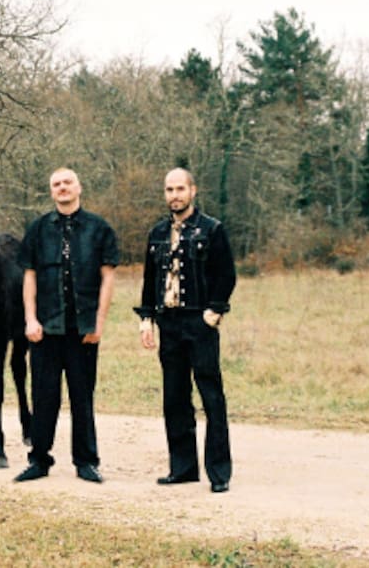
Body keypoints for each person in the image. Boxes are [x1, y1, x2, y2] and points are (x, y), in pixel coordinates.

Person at [14, 168, 119, 484]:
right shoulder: (38, 230)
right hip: (45, 329)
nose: (62, 188)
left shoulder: (99, 229)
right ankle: (39, 460)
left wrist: (98, 322)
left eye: (67, 182)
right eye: (56, 184)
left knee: (82, 397)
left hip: (83, 328)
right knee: (43, 396)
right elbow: (29, 277)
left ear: (79, 187)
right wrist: (30, 319)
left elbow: (108, 278)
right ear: (51, 191)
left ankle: (86, 461)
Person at [135, 167, 237, 493]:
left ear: (193, 191)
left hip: (199, 322)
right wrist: (147, 319)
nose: (174, 195)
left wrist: (214, 311)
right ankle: (183, 468)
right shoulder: (157, 234)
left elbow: (226, 274)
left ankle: (219, 473)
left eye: (180, 189)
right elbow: (149, 279)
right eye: (169, 189)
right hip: (170, 323)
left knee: (211, 396)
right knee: (175, 397)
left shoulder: (211, 230)